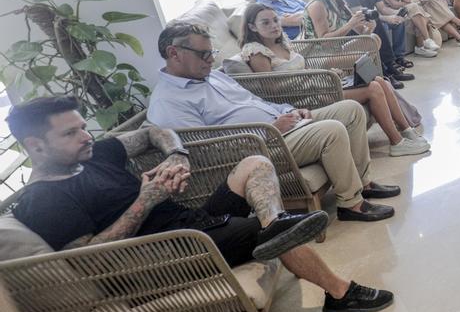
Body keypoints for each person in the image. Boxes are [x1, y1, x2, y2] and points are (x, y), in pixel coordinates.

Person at [7, 96, 394, 312]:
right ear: (35, 146)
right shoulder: (43, 200)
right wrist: (145, 201)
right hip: (165, 258)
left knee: (254, 165)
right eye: (71, 133)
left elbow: (149, 133)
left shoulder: (93, 155)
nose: (86, 136)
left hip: (192, 225)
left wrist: (176, 154)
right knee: (274, 233)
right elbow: (91, 259)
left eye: (83, 126)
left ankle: (276, 221)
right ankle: (340, 294)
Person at [147, 23, 399, 222]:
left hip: (280, 125)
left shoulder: (211, 76)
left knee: (351, 110)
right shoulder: (168, 102)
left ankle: (363, 184)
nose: (211, 60)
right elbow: (207, 152)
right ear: (173, 53)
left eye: (210, 52)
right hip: (259, 146)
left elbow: (254, 101)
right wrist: (268, 131)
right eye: (204, 54)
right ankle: (351, 204)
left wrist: (291, 110)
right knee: (331, 131)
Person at [237, 3, 431, 157]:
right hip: (302, 99)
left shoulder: (283, 42)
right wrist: (318, 77)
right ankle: (397, 143)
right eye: (266, 23)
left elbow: (302, 67)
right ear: (252, 26)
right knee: (372, 88)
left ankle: (407, 131)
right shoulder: (255, 51)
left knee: (378, 80)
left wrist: (326, 73)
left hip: (317, 87)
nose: (274, 26)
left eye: (275, 20)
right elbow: (271, 89)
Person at [345, 0, 415, 81]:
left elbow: (382, 8)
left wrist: (396, 14)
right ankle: (388, 66)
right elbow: (360, 13)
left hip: (372, 18)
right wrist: (387, 18)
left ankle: (398, 58)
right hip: (357, 22)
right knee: (376, 23)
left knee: (397, 22)